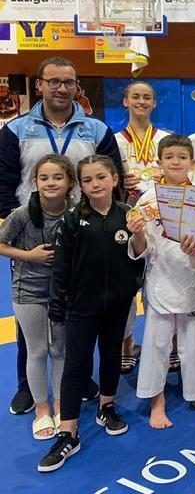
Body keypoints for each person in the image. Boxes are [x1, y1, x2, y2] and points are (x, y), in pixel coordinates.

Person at [0, 57, 122, 414]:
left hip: (82, 230)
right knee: (32, 310)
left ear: (76, 85)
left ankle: (78, 376)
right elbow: (4, 181)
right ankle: (28, 386)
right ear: (39, 84)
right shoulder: (16, 129)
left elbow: (110, 178)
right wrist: (18, 224)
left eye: (68, 81)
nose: (61, 87)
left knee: (77, 307)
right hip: (32, 232)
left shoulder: (96, 129)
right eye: (53, 81)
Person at [40, 155, 144, 472]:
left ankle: (107, 406)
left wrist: (139, 234)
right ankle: (68, 433)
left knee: (112, 355)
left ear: (114, 179)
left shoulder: (129, 215)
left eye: (101, 177)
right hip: (81, 307)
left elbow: (139, 258)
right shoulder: (73, 219)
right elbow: (61, 266)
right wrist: (58, 305)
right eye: (87, 180)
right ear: (80, 186)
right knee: (76, 366)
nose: (95, 184)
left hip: (117, 304)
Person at [128, 134, 195, 429]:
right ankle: (157, 400)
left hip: (194, 277)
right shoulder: (149, 199)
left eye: (182, 157)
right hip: (161, 279)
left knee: (193, 343)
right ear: (159, 162)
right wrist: (137, 233)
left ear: (193, 162)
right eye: (170, 157)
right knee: (156, 342)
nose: (176, 161)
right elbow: (141, 250)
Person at [0, 155, 74, 440]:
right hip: (28, 292)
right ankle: (41, 409)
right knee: (37, 350)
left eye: (57, 177)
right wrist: (28, 256)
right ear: (35, 182)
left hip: (62, 293)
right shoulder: (22, 214)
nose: (50, 182)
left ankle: (59, 405)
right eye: (44, 178)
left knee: (60, 352)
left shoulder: (75, 214)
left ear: (69, 182)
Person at [115, 80, 171, 375]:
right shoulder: (115, 141)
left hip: (162, 221)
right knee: (127, 285)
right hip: (127, 218)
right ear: (125, 101)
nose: (141, 101)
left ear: (154, 103)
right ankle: (126, 346)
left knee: (165, 279)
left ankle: (170, 344)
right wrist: (119, 183)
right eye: (135, 96)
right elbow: (105, 179)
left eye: (146, 97)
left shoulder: (166, 138)